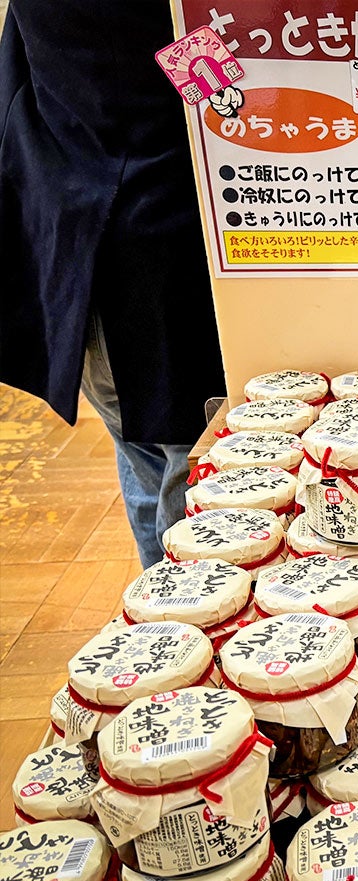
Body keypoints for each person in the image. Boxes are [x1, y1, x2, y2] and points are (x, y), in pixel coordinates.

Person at [0, 1, 226, 567]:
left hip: (78, 242)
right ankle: (183, 626)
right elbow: (222, 89)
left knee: (147, 454)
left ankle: (164, 615)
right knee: (194, 466)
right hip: (162, 256)